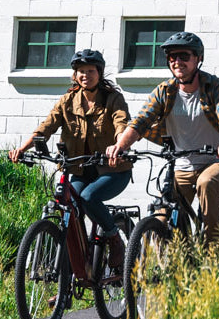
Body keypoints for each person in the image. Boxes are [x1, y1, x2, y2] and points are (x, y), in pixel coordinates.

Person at [107, 31, 219, 245]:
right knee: (163, 215)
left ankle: (212, 252)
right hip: (182, 166)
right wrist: (120, 146)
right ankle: (166, 267)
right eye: (172, 57)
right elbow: (141, 121)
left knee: (206, 183)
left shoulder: (215, 86)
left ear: (198, 58)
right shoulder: (165, 91)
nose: (177, 61)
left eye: (184, 56)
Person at [9, 48, 133, 237]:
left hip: (112, 169)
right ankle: (76, 258)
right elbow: (46, 127)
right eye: (81, 71)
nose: (86, 75)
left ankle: (113, 237)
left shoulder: (112, 98)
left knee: (88, 197)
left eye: (91, 71)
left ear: (99, 73)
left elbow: (121, 124)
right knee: (69, 206)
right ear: (75, 75)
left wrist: (118, 146)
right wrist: (22, 149)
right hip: (79, 170)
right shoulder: (67, 101)